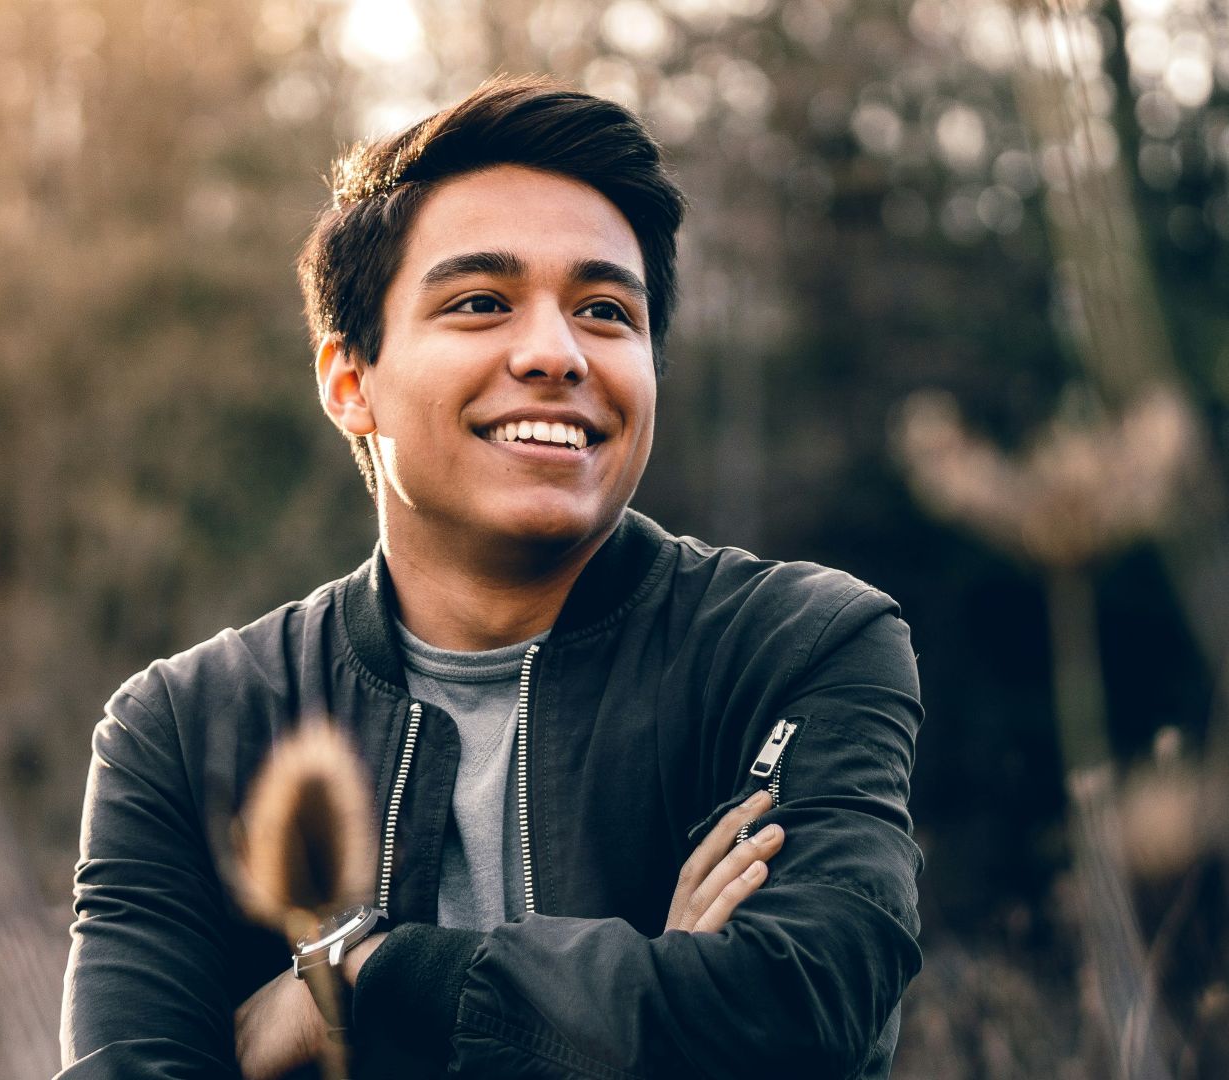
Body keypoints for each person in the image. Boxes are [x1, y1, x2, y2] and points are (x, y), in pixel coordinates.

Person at [58, 75, 924, 1079]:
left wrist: (362, 983)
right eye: (481, 303)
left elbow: (801, 1016)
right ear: (349, 383)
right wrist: (659, 991)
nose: (556, 353)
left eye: (605, 310)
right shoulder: (185, 728)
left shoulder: (794, 649)